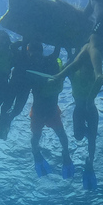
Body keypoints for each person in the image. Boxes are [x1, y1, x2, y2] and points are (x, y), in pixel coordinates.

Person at [27, 43, 73, 178]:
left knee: (60, 135)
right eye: (31, 53)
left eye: (35, 52)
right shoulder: (31, 67)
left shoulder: (49, 63)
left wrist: (63, 45)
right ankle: (36, 153)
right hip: (41, 111)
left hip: (50, 111)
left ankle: (65, 153)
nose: (33, 56)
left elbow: (57, 56)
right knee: (37, 137)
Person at [67, 48, 98, 190]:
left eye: (91, 69)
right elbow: (69, 67)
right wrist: (70, 52)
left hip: (92, 112)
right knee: (78, 137)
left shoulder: (95, 77)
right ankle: (85, 131)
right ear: (82, 67)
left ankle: (90, 162)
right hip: (79, 110)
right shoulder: (74, 74)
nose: (89, 72)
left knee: (92, 140)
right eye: (87, 68)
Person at [0, 39, 33, 140]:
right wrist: (23, 42)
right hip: (20, 86)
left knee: (16, 108)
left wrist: (23, 42)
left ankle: (7, 120)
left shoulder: (33, 59)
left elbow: (12, 47)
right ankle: (5, 120)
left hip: (19, 86)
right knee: (10, 106)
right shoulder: (24, 56)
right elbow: (12, 47)